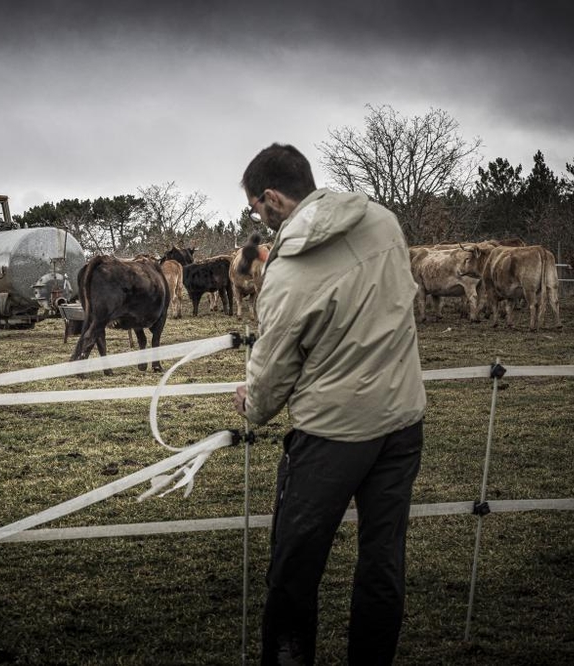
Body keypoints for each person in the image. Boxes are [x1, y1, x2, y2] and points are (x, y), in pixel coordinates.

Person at [232, 143, 426, 665]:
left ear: (272, 199)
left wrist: (250, 403)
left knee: (294, 569)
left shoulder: (289, 271)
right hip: (402, 421)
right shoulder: (383, 222)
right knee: (383, 562)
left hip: (332, 435)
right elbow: (399, 298)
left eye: (255, 209)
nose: (258, 220)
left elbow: (273, 369)